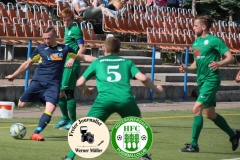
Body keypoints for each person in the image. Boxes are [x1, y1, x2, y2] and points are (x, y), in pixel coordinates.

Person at [62, 37, 163, 160]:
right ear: (119, 51)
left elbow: (79, 82)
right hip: (125, 100)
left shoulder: (97, 62)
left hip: (104, 101)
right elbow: (144, 79)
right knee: (136, 126)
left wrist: (86, 90)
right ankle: (144, 156)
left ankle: (70, 157)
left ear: (103, 49)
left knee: (87, 127)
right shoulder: (127, 62)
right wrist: (157, 89)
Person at [5, 27, 96, 141]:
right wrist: (14, 75)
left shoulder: (64, 49)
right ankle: (43, 97)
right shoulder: (40, 49)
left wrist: (100, 60)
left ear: (55, 37)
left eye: (48, 38)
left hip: (53, 85)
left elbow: (83, 57)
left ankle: (36, 133)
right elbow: (27, 63)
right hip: (38, 82)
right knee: (21, 105)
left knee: (51, 108)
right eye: (44, 38)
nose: (46, 41)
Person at [178, 15, 240, 152]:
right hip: (202, 80)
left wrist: (219, 63)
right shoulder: (196, 43)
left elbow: (231, 57)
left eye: (195, 25)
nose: (193, 28)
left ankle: (194, 145)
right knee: (210, 115)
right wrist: (187, 68)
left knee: (196, 109)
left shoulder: (214, 40)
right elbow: (196, 63)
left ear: (203, 27)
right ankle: (233, 134)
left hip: (211, 80)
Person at [53, 8, 86, 130]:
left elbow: (82, 48)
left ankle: (73, 122)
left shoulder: (76, 30)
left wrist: (73, 59)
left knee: (68, 92)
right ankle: (65, 118)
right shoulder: (66, 30)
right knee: (60, 92)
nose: (65, 22)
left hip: (72, 64)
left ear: (72, 19)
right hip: (66, 63)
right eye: (64, 20)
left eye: (67, 20)